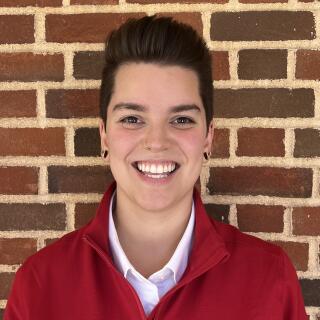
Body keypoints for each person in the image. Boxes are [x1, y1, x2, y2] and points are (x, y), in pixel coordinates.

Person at [5, 15, 307, 320]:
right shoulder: (40, 285)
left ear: (208, 138)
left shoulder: (270, 280)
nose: (157, 141)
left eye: (181, 120)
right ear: (104, 136)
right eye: (132, 119)